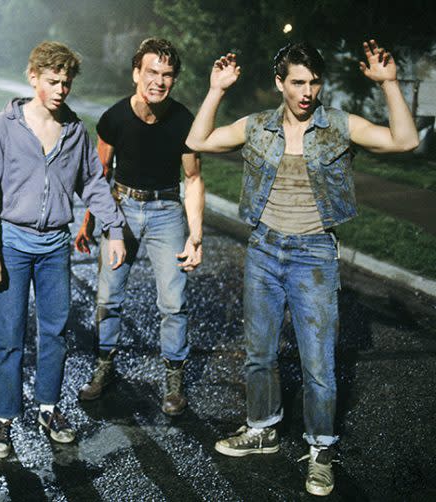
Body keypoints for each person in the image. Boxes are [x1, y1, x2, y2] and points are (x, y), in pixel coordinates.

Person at [186, 40, 419, 496]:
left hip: (314, 254)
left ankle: (321, 450)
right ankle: (262, 429)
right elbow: (198, 141)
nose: (307, 91)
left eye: (314, 82)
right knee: (260, 353)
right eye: (298, 82)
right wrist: (215, 91)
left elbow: (404, 141)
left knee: (318, 364)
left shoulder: (339, 126)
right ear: (280, 84)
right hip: (264, 251)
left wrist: (390, 84)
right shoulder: (257, 127)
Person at [0, 41, 127, 459]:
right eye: (52, 81)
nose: (60, 89)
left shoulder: (75, 129)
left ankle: (49, 408)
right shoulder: (5, 127)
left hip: (55, 243)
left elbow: (93, 183)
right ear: (33, 76)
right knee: (9, 335)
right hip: (13, 243)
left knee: (55, 331)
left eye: (66, 82)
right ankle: (3, 418)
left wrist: (113, 228)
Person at [74, 38, 204, 416]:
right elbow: (99, 174)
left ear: (174, 80)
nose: (159, 82)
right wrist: (89, 221)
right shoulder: (114, 118)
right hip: (122, 208)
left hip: (167, 209)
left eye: (167, 75)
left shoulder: (183, 121)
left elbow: (193, 179)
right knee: (108, 295)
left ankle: (174, 379)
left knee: (173, 301)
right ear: (136, 73)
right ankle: (104, 367)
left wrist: (196, 235)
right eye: (151, 72)